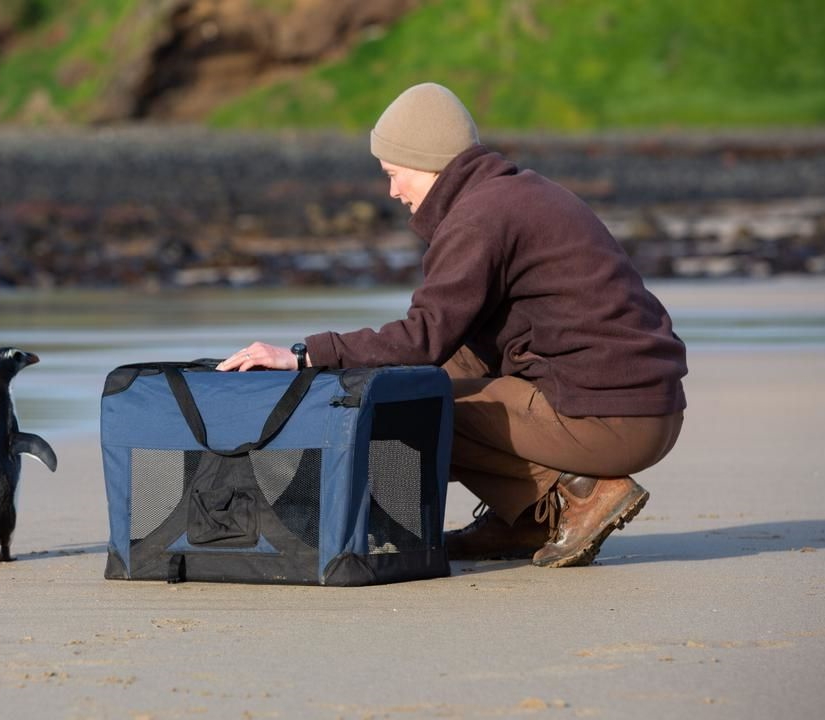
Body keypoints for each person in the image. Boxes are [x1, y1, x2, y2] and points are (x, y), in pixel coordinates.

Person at [215, 82, 687, 568]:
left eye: (394, 173)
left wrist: (304, 354)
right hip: (644, 407)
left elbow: (422, 337)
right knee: (425, 374)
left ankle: (583, 493)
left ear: (428, 161)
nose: (392, 191)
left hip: (613, 420)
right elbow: (447, 342)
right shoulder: (515, 192)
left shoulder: (477, 220)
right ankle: (526, 516)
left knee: (400, 409)